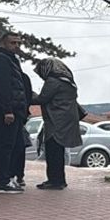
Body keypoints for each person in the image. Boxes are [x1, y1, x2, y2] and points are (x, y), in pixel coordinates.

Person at [0, 32, 29, 194]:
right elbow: (2, 87)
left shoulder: (11, 60)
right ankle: (2, 181)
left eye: (19, 43)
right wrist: (8, 110)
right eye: (13, 43)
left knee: (15, 145)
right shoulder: (0, 60)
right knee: (6, 145)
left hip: (15, 109)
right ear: (4, 43)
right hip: (7, 110)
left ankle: (8, 178)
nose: (17, 46)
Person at [32, 58, 83, 190]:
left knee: (52, 151)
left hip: (55, 120)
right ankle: (60, 179)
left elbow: (42, 98)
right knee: (59, 151)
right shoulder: (68, 81)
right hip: (67, 119)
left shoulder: (53, 81)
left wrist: (28, 95)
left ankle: (54, 180)